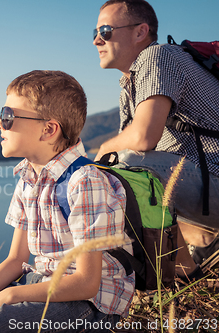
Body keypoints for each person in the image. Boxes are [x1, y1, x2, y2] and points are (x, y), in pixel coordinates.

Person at [0, 70, 134, 333]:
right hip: (41, 282)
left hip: (91, 304)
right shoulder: (28, 179)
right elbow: (16, 258)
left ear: (49, 130)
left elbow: (87, 282)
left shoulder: (85, 181)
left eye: (8, 117)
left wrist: (11, 296)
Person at [92, 0, 219, 277]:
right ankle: (202, 242)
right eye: (95, 32)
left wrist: (101, 150)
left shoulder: (157, 57)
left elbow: (142, 138)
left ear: (140, 32)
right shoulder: (130, 81)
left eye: (105, 30)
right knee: (114, 171)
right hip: (202, 186)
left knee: (122, 167)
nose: (96, 40)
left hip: (214, 180)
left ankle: (186, 273)